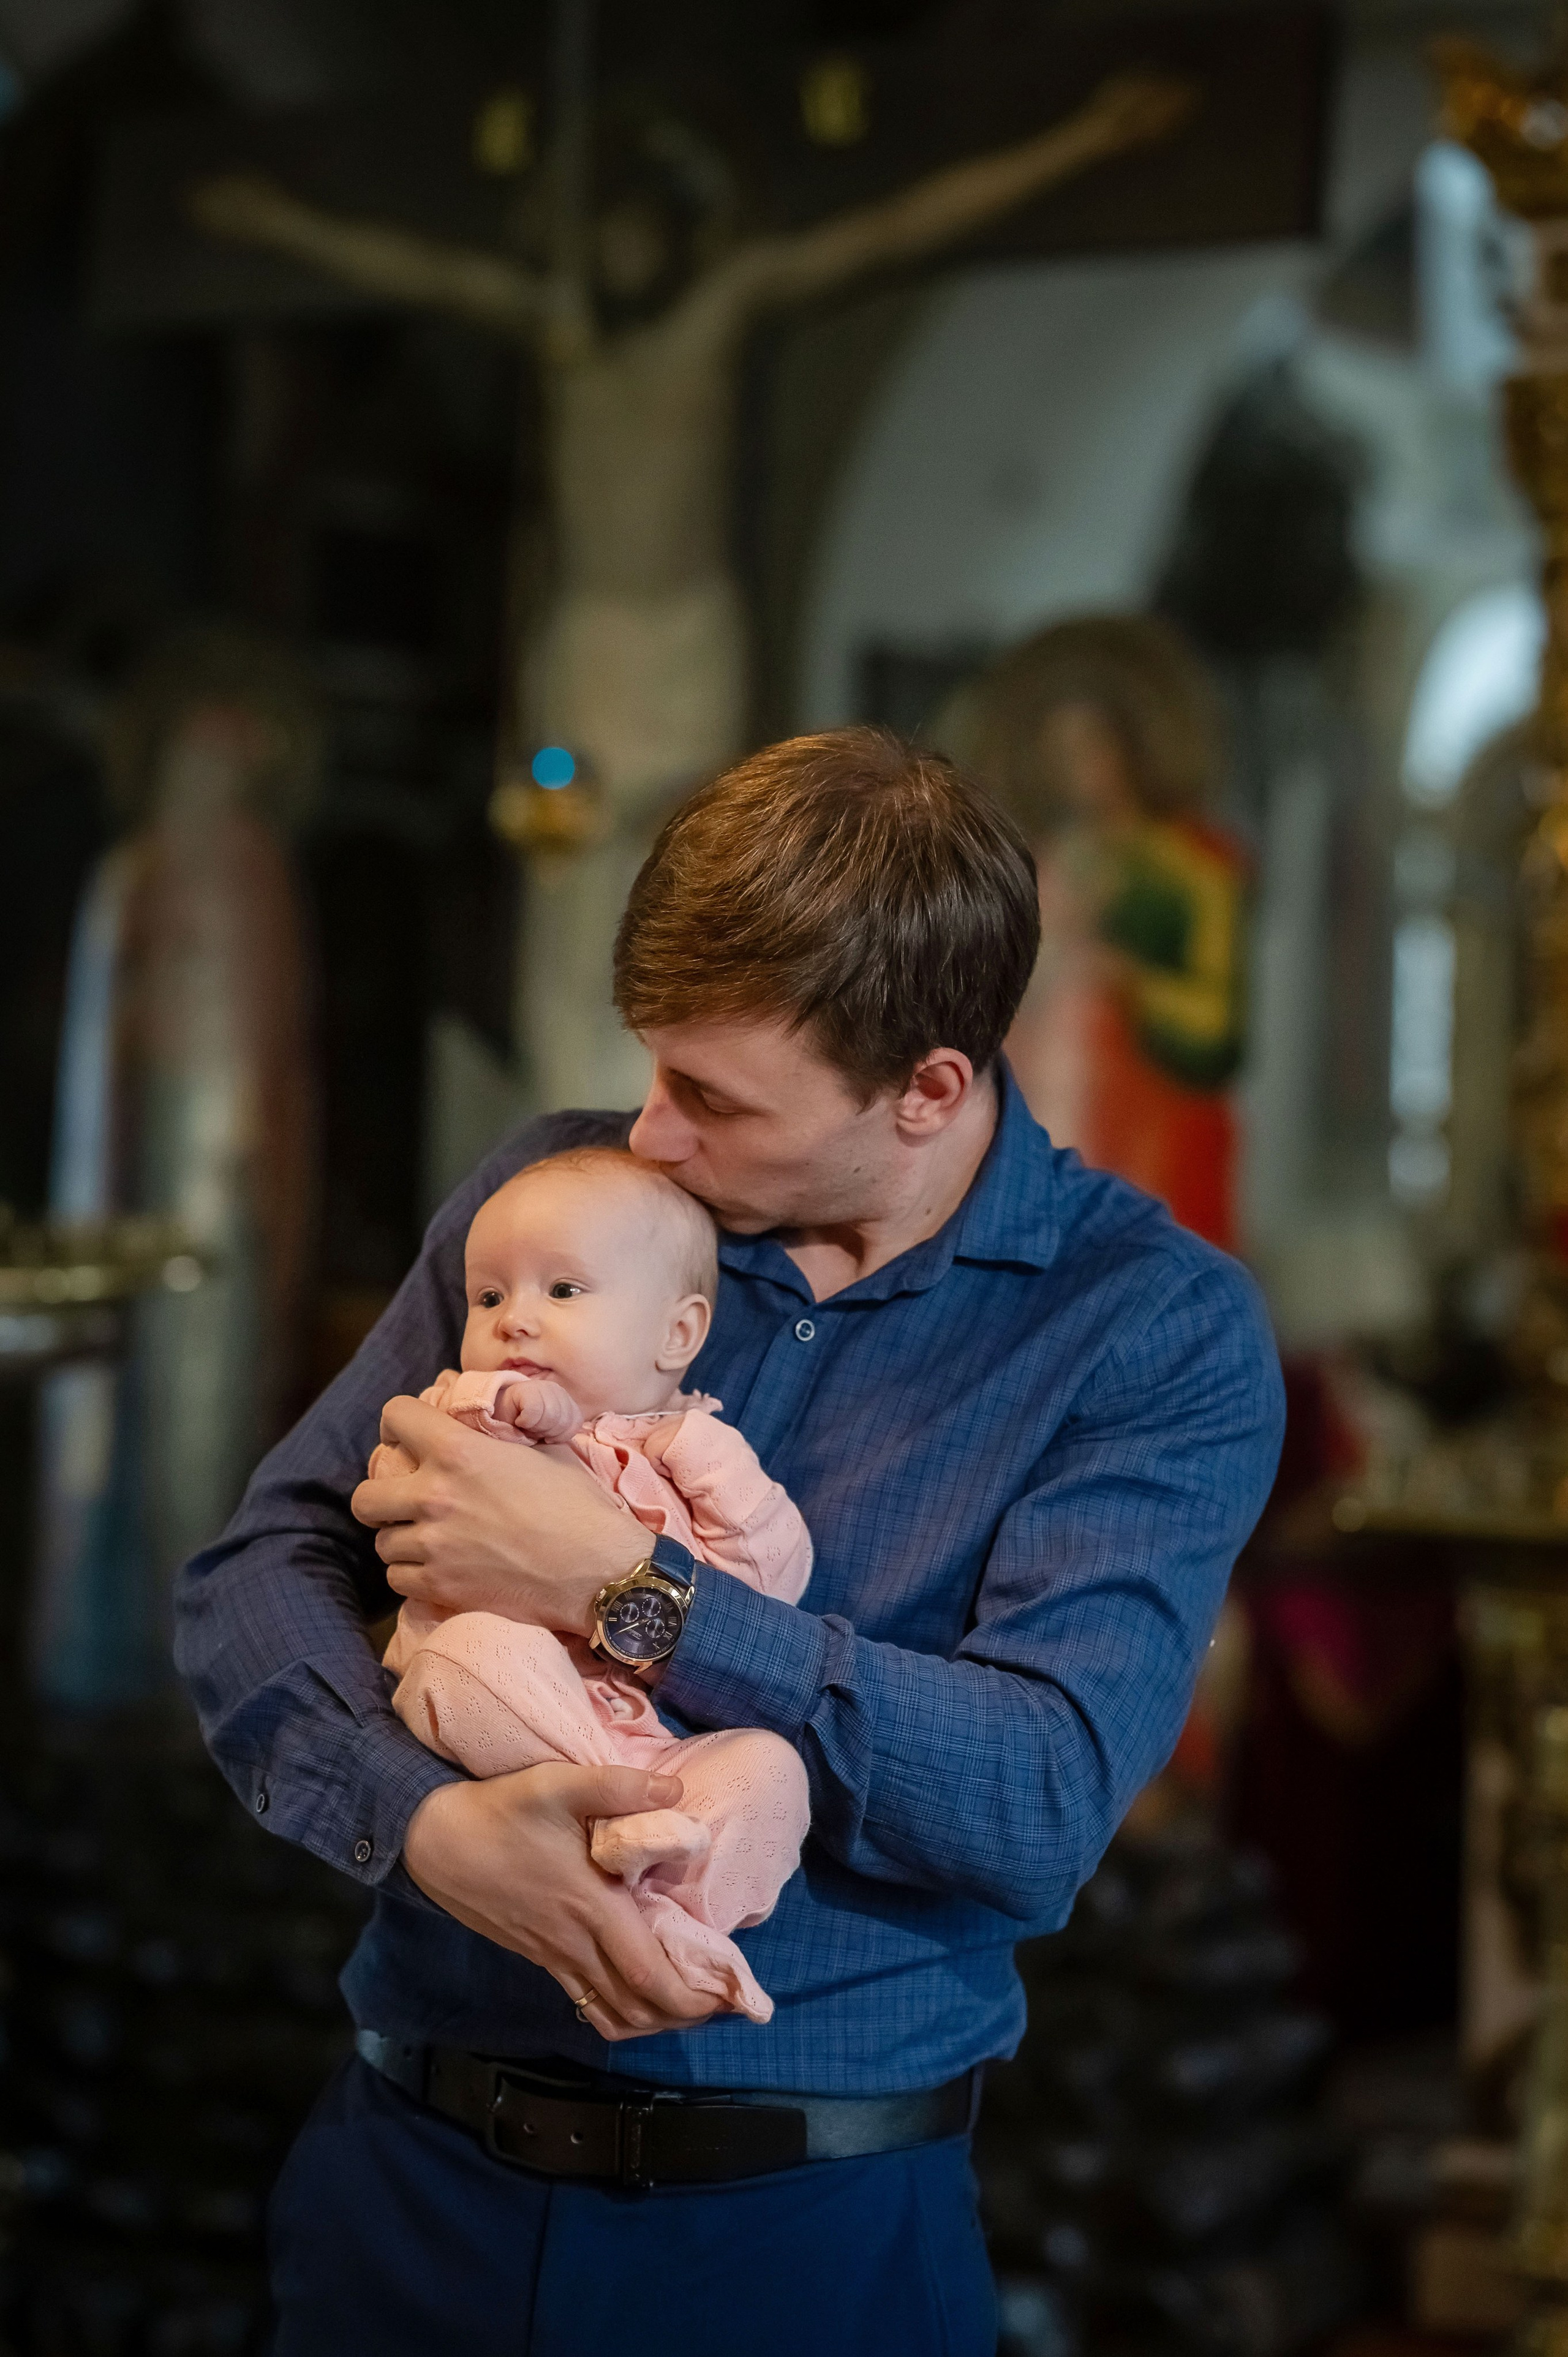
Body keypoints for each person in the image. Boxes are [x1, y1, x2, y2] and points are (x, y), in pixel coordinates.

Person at [173, 726, 1284, 2357]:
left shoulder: (1151, 1331)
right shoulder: (557, 1206)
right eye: (652, 1067)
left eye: (714, 1096)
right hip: (402, 2196)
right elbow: (255, 1578)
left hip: (806, 2248)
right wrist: (422, 1828)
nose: (655, 1132)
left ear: (929, 1090)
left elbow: (1037, 1795)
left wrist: (622, 1593)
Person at [373, 1144, 813, 2024]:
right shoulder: (472, 1407)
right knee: (468, 1656)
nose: (514, 1323)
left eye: (562, 1292)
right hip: (520, 1719)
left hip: (660, 1755)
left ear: (676, 1335)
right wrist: (515, 1418)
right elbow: (425, 1463)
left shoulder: (695, 1448)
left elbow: (775, 1582)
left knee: (771, 1773)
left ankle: (676, 1916)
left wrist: (705, 1463)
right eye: (490, 1297)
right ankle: (631, 1869)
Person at [959, 614, 1248, 1251]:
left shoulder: (1190, 867)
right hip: (1044, 1099)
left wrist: (1121, 973)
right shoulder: (1033, 864)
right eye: (1060, 752)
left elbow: (1212, 1032)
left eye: (1092, 747)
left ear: (1130, 749)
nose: (1078, 770)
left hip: (1154, 1126)